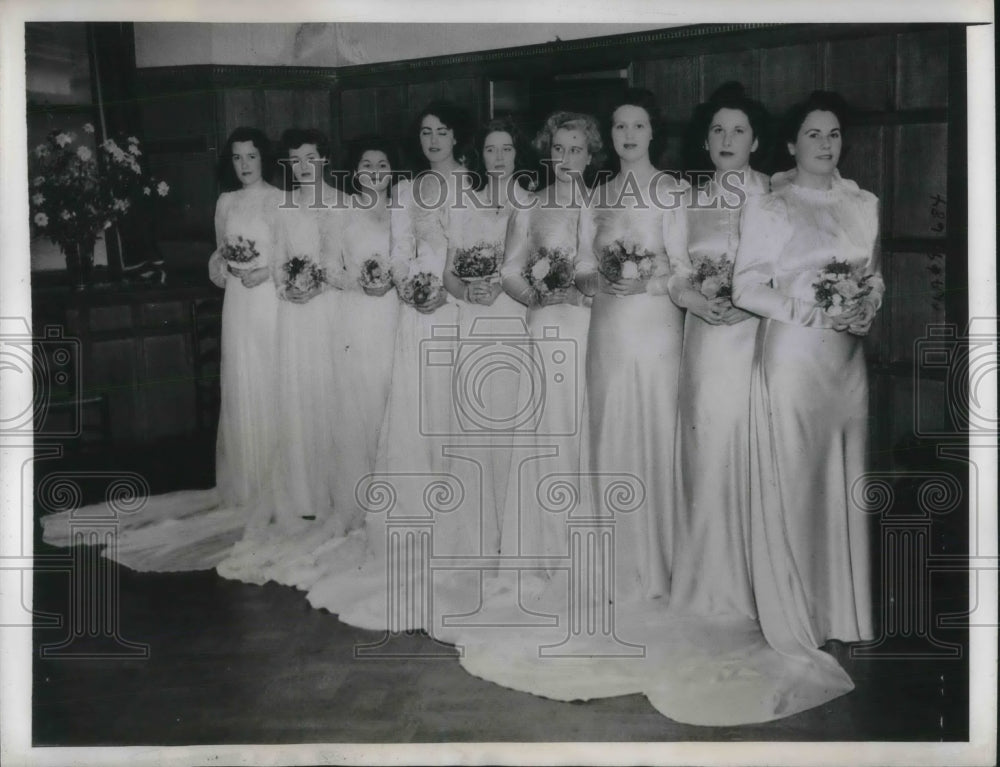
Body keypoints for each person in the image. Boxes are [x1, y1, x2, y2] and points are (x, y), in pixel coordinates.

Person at [41, 127, 285, 572]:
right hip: (238, 305)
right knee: (242, 387)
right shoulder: (225, 203)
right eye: (236, 157)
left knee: (272, 385)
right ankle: (246, 484)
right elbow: (217, 258)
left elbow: (288, 257)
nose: (245, 165)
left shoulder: (279, 201)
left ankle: (281, 483)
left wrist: (263, 272)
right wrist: (226, 265)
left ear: (263, 158)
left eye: (251, 156)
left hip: (268, 304)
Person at [732, 90, 882, 653]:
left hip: (846, 362)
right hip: (793, 355)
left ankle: (844, 613)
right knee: (795, 482)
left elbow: (876, 274)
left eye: (834, 134)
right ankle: (796, 614)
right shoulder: (772, 206)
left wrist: (866, 307)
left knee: (843, 482)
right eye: (813, 134)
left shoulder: (863, 202)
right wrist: (809, 310)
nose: (825, 144)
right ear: (791, 143)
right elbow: (747, 286)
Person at [575, 89, 718, 603]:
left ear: (653, 132)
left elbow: (683, 269)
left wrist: (648, 281)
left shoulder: (673, 191)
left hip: (656, 324)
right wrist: (598, 281)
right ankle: (613, 563)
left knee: (657, 430)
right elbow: (580, 266)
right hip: (609, 326)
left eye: (637, 125)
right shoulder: (596, 194)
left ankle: (661, 564)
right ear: (609, 136)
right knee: (609, 425)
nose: (628, 136)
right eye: (619, 127)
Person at [669, 82, 771, 619]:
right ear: (705, 141)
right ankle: (707, 583)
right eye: (717, 130)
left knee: (753, 451)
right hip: (705, 342)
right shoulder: (688, 201)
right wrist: (697, 302)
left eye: (738, 130)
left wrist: (751, 304)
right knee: (706, 451)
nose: (726, 139)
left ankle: (760, 588)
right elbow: (677, 277)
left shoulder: (774, 197)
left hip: (758, 341)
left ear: (755, 142)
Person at [496, 111, 599, 582]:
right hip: (544, 329)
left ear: (591, 154)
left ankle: (587, 548)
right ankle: (545, 549)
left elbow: (611, 270)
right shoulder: (530, 206)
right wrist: (534, 293)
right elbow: (510, 271)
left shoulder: (604, 204)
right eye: (558, 148)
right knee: (548, 434)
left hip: (591, 327)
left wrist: (582, 292)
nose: (565, 158)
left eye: (575, 149)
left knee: (586, 432)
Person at [442, 117, 535, 560]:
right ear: (481, 155)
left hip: (517, 319)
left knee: (513, 421)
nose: (498, 158)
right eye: (491, 150)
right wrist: (466, 290)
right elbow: (448, 271)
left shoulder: (533, 204)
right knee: (478, 421)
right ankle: (478, 533)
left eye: (507, 149)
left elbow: (541, 265)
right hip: (475, 322)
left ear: (519, 154)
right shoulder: (464, 205)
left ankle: (516, 531)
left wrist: (505, 284)